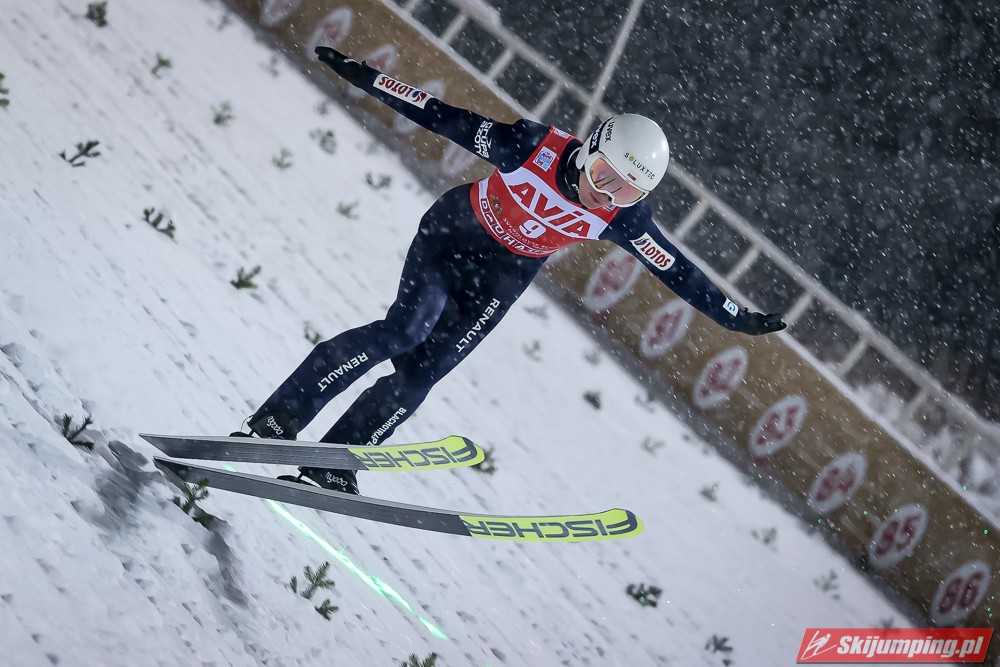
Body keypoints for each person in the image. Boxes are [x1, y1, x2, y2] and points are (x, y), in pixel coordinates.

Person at [236, 45, 786, 495]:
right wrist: (367, 78)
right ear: (590, 148)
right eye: (603, 175)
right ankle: (280, 417)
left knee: (420, 375)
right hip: (451, 239)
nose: (604, 194)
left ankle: (334, 462)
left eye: (625, 191)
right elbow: (441, 116)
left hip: (499, 281)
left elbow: (678, 271)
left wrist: (733, 317)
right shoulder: (530, 146)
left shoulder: (624, 219)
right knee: (403, 332)